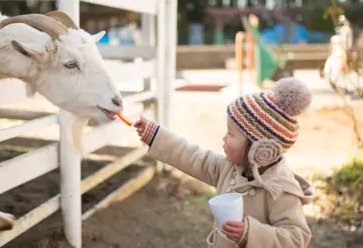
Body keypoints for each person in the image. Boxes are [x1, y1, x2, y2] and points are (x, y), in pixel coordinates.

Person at [133, 77, 315, 248]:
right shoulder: (230, 169)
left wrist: (250, 234)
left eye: (231, 134)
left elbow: (296, 237)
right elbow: (193, 156)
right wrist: (156, 136)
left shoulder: (281, 190)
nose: (224, 138)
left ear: (259, 149)